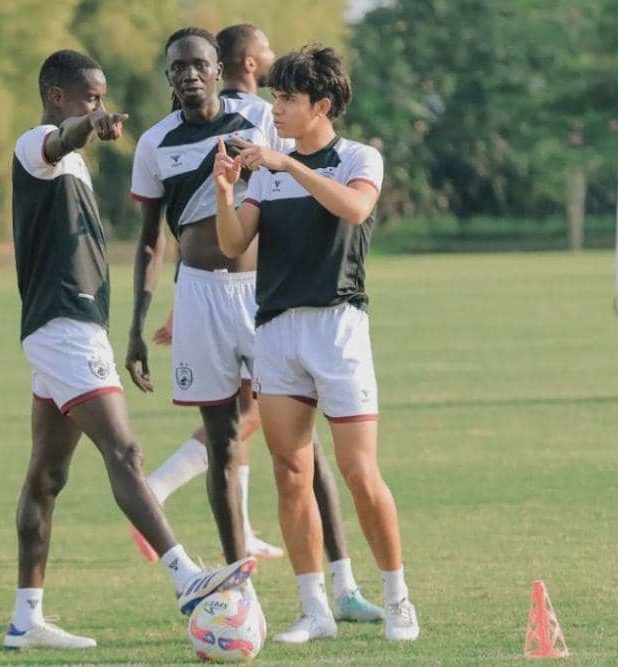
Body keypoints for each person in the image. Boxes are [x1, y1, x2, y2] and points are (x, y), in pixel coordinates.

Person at [130, 24, 383, 625]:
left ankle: (341, 586)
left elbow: (295, 177)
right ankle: (238, 589)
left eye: (199, 63)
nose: (189, 74)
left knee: (304, 445)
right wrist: (141, 323)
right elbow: (148, 242)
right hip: (197, 294)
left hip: (261, 294)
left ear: (220, 68)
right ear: (168, 77)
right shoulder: (155, 143)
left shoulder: (258, 117)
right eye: (177, 67)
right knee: (222, 441)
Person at [4, 49, 254, 651]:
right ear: (59, 95)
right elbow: (58, 140)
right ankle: (187, 579)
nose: (100, 106)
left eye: (102, 98)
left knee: (48, 475)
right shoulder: (35, 145)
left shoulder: (72, 168)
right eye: (91, 97)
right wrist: (86, 127)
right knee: (126, 450)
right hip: (64, 327)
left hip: (72, 324)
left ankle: (25, 621)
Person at [213, 45, 421, 643]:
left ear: (322, 105)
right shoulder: (267, 173)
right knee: (289, 471)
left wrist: (288, 166)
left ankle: (396, 596)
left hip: (338, 330)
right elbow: (233, 245)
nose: (275, 108)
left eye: (287, 99)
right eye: (275, 97)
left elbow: (355, 208)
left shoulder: (359, 157)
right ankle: (313, 609)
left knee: (359, 472)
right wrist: (230, 191)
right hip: (277, 330)